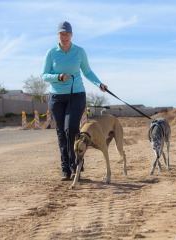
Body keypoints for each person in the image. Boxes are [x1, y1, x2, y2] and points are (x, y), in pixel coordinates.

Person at [42, 21, 107, 181]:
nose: (64, 36)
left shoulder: (79, 52)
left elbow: (87, 71)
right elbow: (44, 75)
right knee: (61, 133)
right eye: (61, 34)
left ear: (71, 35)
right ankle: (66, 170)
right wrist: (58, 77)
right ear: (58, 35)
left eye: (67, 33)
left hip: (76, 95)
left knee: (70, 129)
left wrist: (99, 83)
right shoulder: (51, 53)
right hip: (56, 97)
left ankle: (76, 164)